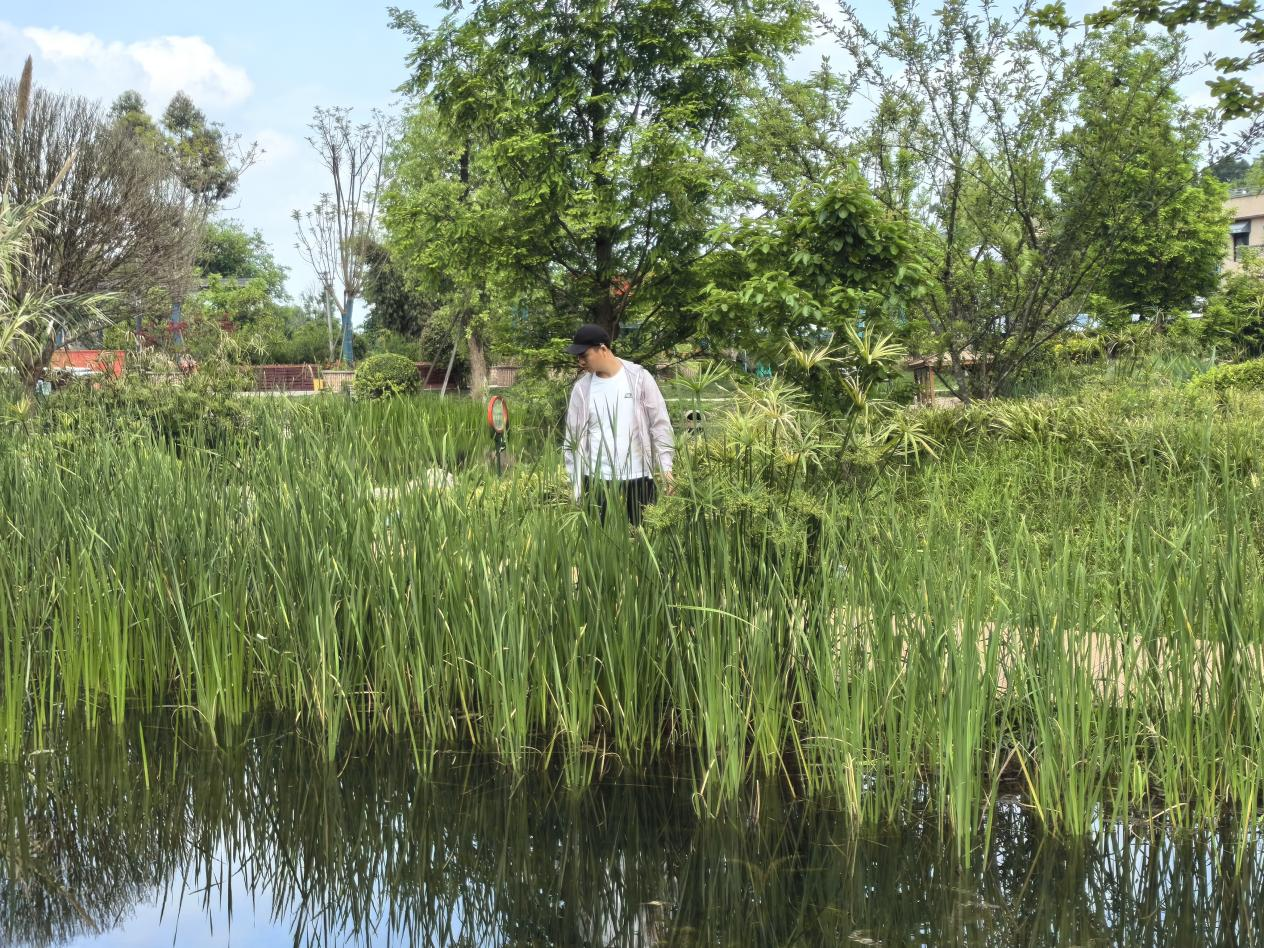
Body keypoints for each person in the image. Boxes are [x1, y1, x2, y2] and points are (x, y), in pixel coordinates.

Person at [563, 323, 675, 525]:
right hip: (597, 479)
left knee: (645, 537)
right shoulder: (582, 389)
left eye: (584, 355)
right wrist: (577, 485)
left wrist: (666, 467)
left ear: (602, 349)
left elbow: (659, 424)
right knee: (599, 544)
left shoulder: (639, 378)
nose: (580, 362)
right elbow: (573, 439)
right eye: (577, 357)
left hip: (639, 475)